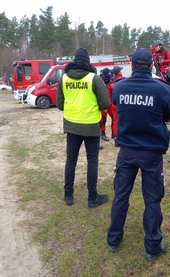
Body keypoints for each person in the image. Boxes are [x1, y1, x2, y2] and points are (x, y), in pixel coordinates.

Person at [107, 48, 170, 262]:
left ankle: (114, 240)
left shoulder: (120, 87)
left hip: (127, 150)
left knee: (121, 195)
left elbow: (118, 106)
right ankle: (152, 246)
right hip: (151, 152)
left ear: (132, 65)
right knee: (152, 199)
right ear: (152, 65)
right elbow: (167, 115)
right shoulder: (161, 89)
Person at [56, 47, 110, 208]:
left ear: (74, 60)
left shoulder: (64, 78)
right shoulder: (94, 78)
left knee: (70, 161)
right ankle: (92, 198)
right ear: (88, 61)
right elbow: (105, 103)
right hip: (91, 126)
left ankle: (68, 195)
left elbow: (59, 104)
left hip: (72, 126)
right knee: (92, 161)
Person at [107, 66, 125, 146]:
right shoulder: (123, 80)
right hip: (123, 103)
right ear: (119, 72)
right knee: (125, 121)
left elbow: (109, 94)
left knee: (115, 121)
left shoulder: (111, 82)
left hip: (114, 104)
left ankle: (116, 139)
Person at [99, 67, 113, 141]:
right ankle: (103, 133)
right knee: (103, 119)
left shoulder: (109, 80)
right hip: (104, 103)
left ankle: (113, 133)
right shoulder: (101, 81)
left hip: (110, 101)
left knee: (113, 117)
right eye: (109, 73)